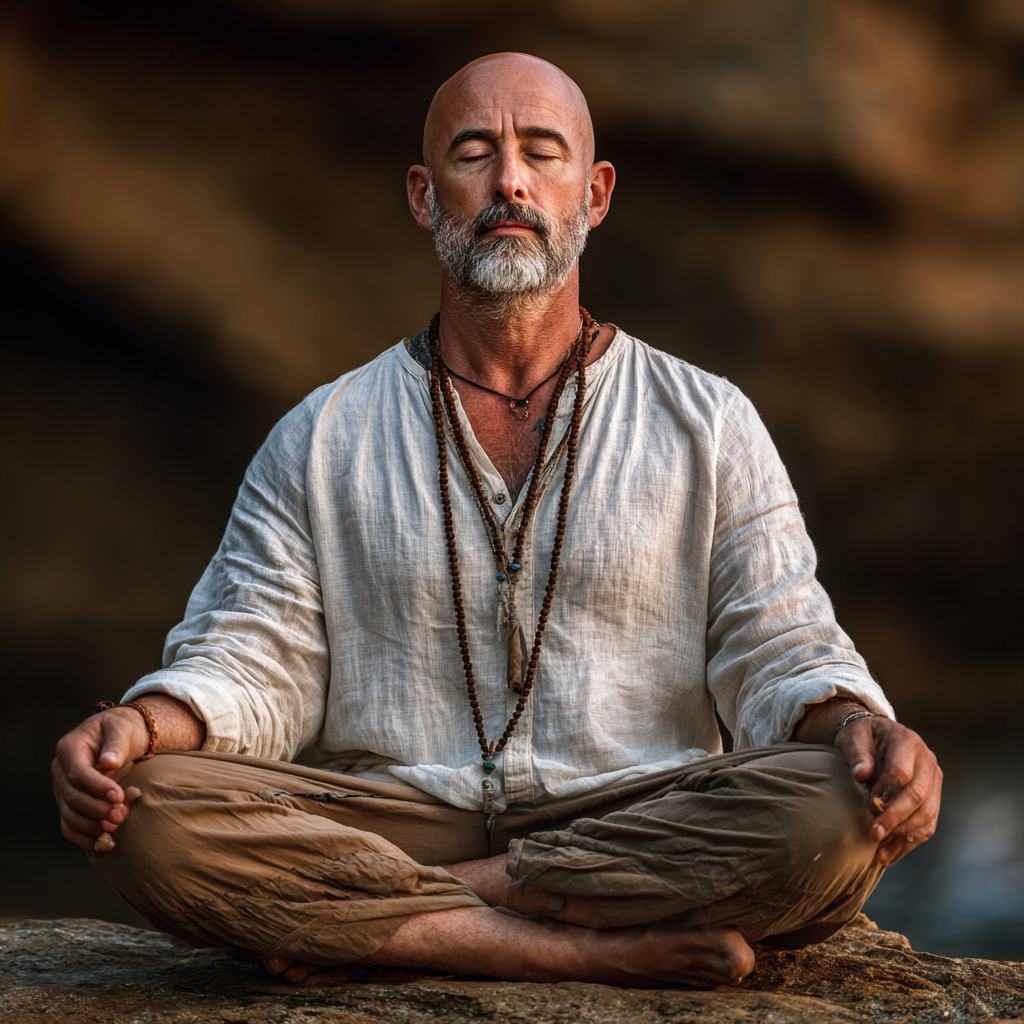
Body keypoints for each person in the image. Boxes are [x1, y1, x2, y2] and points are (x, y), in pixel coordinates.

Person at [51, 53, 942, 990]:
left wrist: (852, 723)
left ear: (594, 194)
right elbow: (251, 658)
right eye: (474, 152)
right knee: (139, 808)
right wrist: (145, 723)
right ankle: (575, 949)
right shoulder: (322, 434)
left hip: (635, 813)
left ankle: (405, 914)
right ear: (424, 196)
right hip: (395, 812)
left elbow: (777, 641)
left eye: (541, 153)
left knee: (839, 810)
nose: (509, 181)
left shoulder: (708, 420)